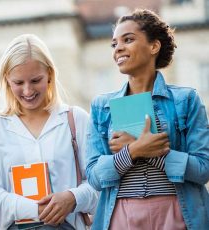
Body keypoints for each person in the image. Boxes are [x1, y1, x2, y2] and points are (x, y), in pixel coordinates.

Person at [86, 9, 209, 230]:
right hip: (122, 215)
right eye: (114, 44)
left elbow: (203, 169)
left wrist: (156, 153)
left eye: (128, 39)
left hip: (176, 213)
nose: (118, 48)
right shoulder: (101, 106)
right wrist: (133, 151)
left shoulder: (186, 99)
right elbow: (94, 177)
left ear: (154, 46)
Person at [0, 34, 98, 230]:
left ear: (49, 74)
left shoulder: (76, 120)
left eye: (35, 80)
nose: (27, 90)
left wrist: (72, 198)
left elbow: (98, 183)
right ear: (7, 79)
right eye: (18, 83)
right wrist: (37, 209)